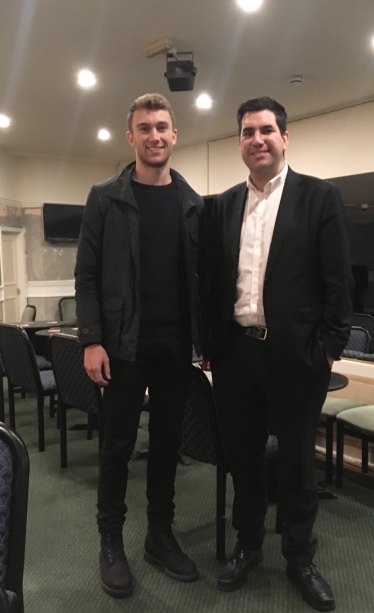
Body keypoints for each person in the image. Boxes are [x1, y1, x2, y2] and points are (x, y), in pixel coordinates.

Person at [207, 96, 353, 611]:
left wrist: (327, 350)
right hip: (235, 358)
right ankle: (248, 548)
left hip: (297, 360)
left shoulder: (320, 198)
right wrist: (210, 349)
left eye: (266, 130)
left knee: (296, 467)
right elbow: (210, 282)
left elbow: (339, 284)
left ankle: (300, 560)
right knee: (244, 462)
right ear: (240, 142)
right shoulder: (221, 205)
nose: (257, 139)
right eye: (247, 132)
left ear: (285, 138)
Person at [75, 93, 207, 598]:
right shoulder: (105, 197)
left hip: (175, 346)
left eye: (162, 127)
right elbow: (86, 276)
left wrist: (206, 340)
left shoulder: (193, 203)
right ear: (130, 137)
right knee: (117, 446)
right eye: (144, 128)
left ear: (175, 134)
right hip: (123, 346)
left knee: (168, 445)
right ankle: (111, 540)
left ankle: (159, 534)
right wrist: (91, 340)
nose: (155, 135)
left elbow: (203, 281)